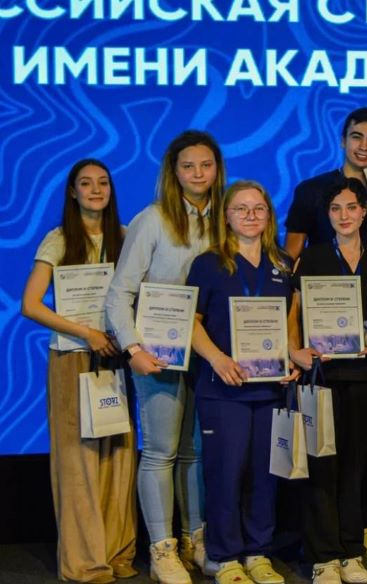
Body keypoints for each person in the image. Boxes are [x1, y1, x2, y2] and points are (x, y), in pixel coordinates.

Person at [106, 130, 225, 584]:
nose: (198, 173)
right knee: (161, 452)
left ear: (217, 170)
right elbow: (120, 294)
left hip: (207, 354)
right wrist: (133, 348)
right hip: (157, 354)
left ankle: (197, 540)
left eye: (206, 165)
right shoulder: (152, 219)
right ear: (173, 172)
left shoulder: (225, 220)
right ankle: (162, 550)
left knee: (196, 451)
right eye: (188, 166)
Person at [284, 107, 367, 562]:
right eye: (356, 136)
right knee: (323, 459)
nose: (363, 146)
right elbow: (291, 273)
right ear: (343, 137)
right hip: (325, 366)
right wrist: (294, 348)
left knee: (363, 457)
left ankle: (359, 537)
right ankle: (325, 551)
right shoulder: (312, 198)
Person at [21, 159, 137, 583]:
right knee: (78, 461)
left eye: (103, 182)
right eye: (86, 183)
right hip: (73, 358)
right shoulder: (59, 239)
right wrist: (86, 332)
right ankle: (84, 562)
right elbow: (30, 305)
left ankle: (118, 552)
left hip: (116, 357)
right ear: (73, 192)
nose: (96, 189)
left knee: (119, 457)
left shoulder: (126, 237)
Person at [186, 180, 300, 584]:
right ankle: (225, 556)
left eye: (258, 208)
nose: (250, 216)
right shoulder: (208, 264)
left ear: (269, 215)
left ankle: (258, 552)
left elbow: (290, 322)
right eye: (241, 209)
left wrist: (293, 357)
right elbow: (191, 323)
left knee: (265, 475)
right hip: (224, 389)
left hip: (270, 389)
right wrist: (217, 359)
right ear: (226, 216)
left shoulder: (282, 263)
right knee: (226, 473)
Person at [284, 107, 367, 260]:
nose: (364, 146)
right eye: (356, 137)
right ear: (343, 141)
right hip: (323, 275)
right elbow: (291, 255)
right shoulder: (310, 190)